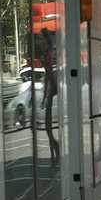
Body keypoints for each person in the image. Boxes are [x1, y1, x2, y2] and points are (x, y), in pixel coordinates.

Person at [40, 28, 59, 168]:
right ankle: (54, 156)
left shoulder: (47, 53)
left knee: (48, 127)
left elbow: (49, 75)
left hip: (50, 89)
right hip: (51, 89)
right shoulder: (49, 52)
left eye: (40, 38)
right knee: (48, 127)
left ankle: (56, 152)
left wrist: (45, 95)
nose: (38, 40)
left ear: (45, 39)